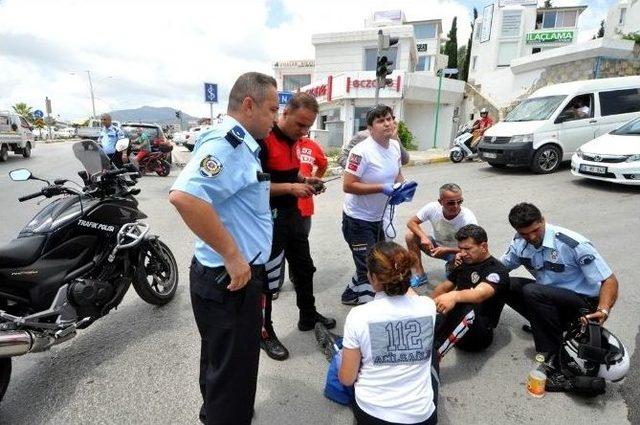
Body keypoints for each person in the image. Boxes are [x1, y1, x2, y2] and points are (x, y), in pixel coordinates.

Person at [168, 72, 278, 425]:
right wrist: (233, 256)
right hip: (229, 278)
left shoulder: (240, 144)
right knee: (234, 366)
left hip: (226, 276)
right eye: (272, 110)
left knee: (222, 360)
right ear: (249, 105)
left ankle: (217, 412)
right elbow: (185, 197)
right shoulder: (228, 144)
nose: (275, 119)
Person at [499, 202, 619, 390]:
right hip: (548, 297)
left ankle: (552, 358)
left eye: (535, 230)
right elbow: (500, 269)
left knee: (533, 291)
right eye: (524, 233)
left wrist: (603, 309)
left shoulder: (571, 243)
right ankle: (549, 327)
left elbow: (609, 280)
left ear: (543, 221)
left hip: (581, 303)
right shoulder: (519, 242)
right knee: (506, 284)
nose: (531, 237)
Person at [258, 92, 336, 361]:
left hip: (293, 218)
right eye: (300, 124)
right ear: (285, 113)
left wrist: (308, 180)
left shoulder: (295, 141)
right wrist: (292, 187)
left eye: (308, 126)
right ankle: (264, 332)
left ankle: (308, 314)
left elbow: (290, 174)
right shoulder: (264, 141)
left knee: (305, 268)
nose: (303, 131)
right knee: (267, 280)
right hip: (269, 222)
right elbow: (253, 188)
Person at [339, 241, 438, 425]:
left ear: (374, 278)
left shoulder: (359, 316)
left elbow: (346, 379)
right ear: (406, 274)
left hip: (373, 415)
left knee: (348, 359)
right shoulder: (428, 307)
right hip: (422, 417)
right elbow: (409, 295)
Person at [341, 104, 404, 306]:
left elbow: (398, 175)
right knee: (370, 269)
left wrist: (402, 190)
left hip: (379, 217)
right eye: (380, 121)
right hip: (357, 219)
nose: (387, 124)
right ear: (370, 128)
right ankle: (370, 314)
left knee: (376, 260)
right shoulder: (361, 152)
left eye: (389, 118)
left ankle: (350, 294)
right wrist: (381, 188)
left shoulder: (394, 146)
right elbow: (348, 185)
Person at [431, 224, 509, 361]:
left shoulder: (497, 271)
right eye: (460, 249)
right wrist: (428, 307)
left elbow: (480, 294)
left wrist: (454, 295)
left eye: (467, 249)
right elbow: (445, 287)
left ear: (483, 247)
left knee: (466, 302)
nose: (462, 253)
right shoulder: (464, 263)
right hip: (455, 323)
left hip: (477, 336)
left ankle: (434, 355)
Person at [405, 183, 477, 287]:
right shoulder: (432, 208)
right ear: (440, 202)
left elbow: (474, 247)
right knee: (410, 236)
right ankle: (420, 274)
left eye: (459, 201)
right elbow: (411, 222)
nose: (456, 206)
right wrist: (423, 237)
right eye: (451, 203)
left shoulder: (467, 218)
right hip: (436, 247)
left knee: (454, 281)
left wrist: (447, 250)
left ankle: (451, 265)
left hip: (459, 252)